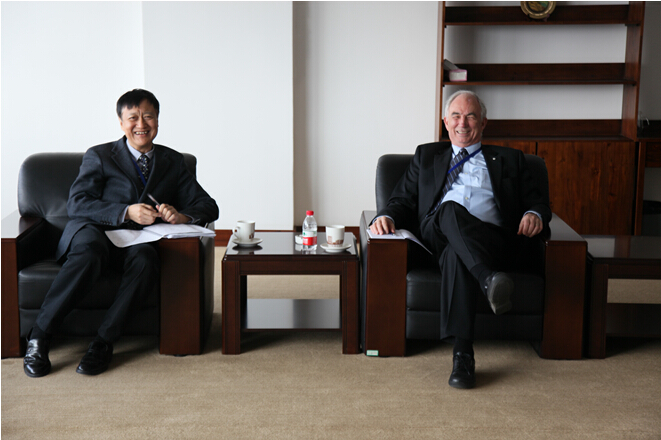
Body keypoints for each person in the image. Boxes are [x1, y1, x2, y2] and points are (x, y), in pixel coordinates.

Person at [23, 89, 219, 377]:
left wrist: (181, 216)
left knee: (146, 260)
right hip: (95, 232)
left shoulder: (173, 161)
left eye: (148, 116)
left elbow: (208, 206)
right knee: (90, 254)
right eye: (133, 118)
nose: (141, 124)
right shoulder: (100, 155)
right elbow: (77, 203)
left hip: (137, 241)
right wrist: (126, 212)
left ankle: (103, 343)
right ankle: (39, 336)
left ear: (158, 120)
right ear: (121, 122)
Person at [370, 90, 551, 389]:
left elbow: (539, 202)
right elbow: (401, 199)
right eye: (455, 116)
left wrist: (534, 213)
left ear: (484, 122)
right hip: (435, 238)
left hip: (491, 240)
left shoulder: (511, 159)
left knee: (457, 254)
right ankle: (487, 279)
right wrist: (385, 215)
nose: (462, 123)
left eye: (470, 116)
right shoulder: (426, 156)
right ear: (445, 121)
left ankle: (463, 356)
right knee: (449, 209)